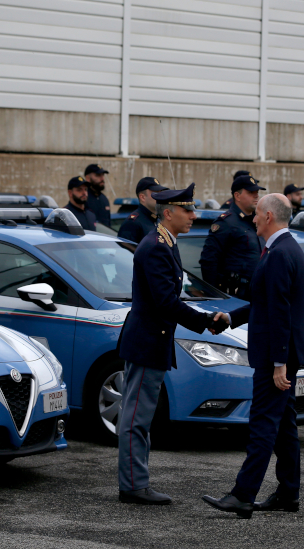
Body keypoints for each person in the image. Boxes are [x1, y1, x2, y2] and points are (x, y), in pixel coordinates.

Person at [201, 193, 304, 519]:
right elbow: (265, 304)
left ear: (269, 216)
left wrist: (278, 364)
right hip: (281, 353)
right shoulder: (284, 249)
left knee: (262, 424)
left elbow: (280, 313)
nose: (253, 218)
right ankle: (288, 493)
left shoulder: (279, 253)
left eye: (258, 214)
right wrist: (230, 317)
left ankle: (242, 495)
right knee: (285, 427)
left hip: (275, 357)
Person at [117, 183, 222, 506]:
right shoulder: (156, 247)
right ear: (169, 213)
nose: (194, 215)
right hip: (147, 341)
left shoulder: (166, 243)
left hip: (152, 340)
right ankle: (133, 485)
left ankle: (136, 482)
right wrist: (204, 321)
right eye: (187, 210)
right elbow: (165, 302)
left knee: (140, 416)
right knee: (136, 418)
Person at [200, 175, 265, 300]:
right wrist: (215, 295)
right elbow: (209, 261)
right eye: (251, 192)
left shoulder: (256, 221)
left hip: (256, 293)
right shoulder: (226, 223)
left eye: (257, 192)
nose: (256, 195)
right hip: (235, 295)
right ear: (237, 196)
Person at [117, 177, 168, 244]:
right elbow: (126, 249)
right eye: (156, 194)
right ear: (142, 197)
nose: (160, 196)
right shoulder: (133, 223)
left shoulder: (157, 220)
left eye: (160, 193)